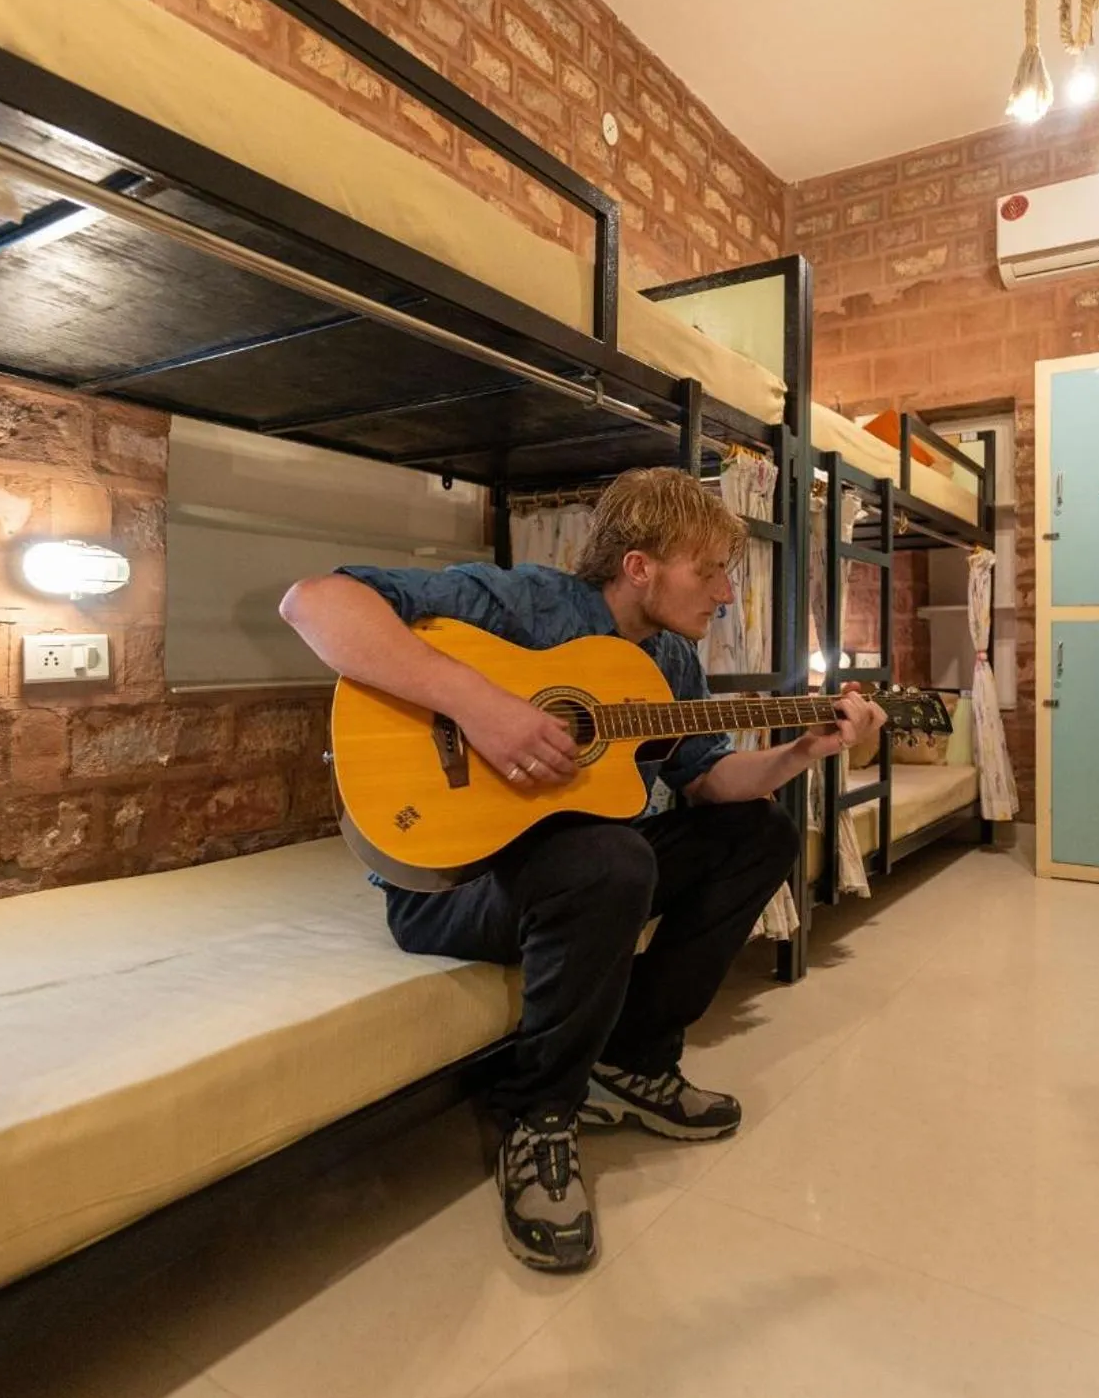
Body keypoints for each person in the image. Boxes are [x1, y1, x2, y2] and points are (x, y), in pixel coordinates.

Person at [279, 467, 884, 1271]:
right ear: (640, 567)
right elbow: (313, 602)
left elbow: (709, 781)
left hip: (580, 877)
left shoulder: (668, 659)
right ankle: (538, 1117)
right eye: (710, 573)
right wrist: (479, 705)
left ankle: (634, 1059)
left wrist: (803, 747)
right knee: (612, 855)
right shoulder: (527, 603)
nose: (727, 597)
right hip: (452, 884)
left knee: (758, 832)